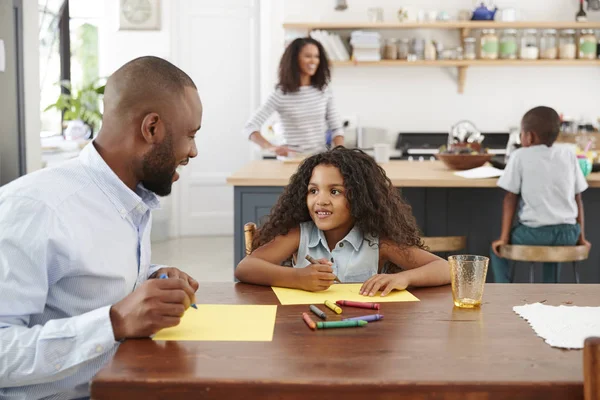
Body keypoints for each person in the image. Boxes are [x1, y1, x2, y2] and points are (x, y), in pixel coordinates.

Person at [0, 56, 202, 399]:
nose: (193, 152)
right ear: (151, 128)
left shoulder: (128, 198)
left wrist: (152, 277)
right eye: (190, 135)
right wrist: (114, 322)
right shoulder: (35, 208)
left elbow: (78, 282)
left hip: (123, 383)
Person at [234, 147, 450, 296]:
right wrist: (297, 277)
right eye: (313, 191)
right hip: (306, 331)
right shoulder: (299, 234)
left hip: (362, 332)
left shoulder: (377, 241)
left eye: (335, 191)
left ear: (360, 197)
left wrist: (405, 278)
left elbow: (445, 269)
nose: (321, 201)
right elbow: (246, 268)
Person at [491, 106, 590, 283]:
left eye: (521, 133)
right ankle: (549, 293)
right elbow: (578, 198)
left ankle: (503, 291)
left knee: (496, 250)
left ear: (529, 136)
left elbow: (510, 198)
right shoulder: (568, 154)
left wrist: (503, 238)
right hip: (568, 235)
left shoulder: (520, 156)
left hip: (533, 234)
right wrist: (581, 238)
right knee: (552, 251)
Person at [242, 37, 344, 156]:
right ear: (295, 59)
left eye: (316, 56)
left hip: (318, 160)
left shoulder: (324, 91)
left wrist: (340, 152)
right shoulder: (280, 94)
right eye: (308, 56)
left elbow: (336, 128)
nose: (313, 61)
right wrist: (270, 147)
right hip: (291, 160)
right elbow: (249, 127)